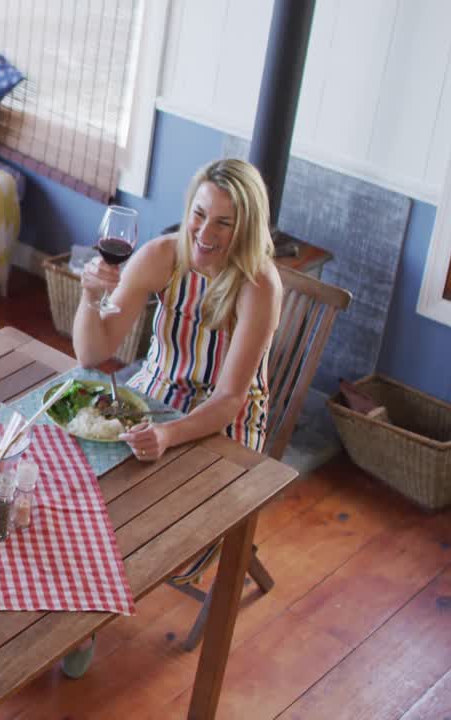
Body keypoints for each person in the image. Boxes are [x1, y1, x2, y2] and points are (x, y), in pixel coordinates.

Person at [63, 158, 281, 678]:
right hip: (153, 393)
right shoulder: (163, 255)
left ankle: (82, 616)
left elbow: (230, 398)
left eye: (224, 222)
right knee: (69, 481)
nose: (205, 233)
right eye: (199, 214)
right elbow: (92, 354)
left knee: (145, 521)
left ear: (247, 228)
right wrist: (91, 297)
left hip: (223, 423)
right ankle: (74, 606)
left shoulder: (259, 285)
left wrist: (166, 434)